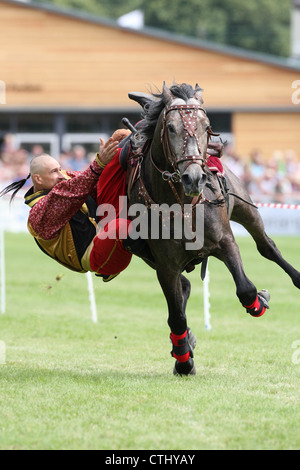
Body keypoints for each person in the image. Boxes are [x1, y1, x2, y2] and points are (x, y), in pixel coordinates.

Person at [0, 131, 148, 282]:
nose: (61, 174)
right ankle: (157, 255)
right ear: (38, 178)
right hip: (93, 255)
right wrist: (99, 164)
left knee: (122, 142)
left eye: (59, 168)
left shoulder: (63, 177)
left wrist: (116, 149)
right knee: (120, 226)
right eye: (54, 171)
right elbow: (69, 192)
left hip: (105, 222)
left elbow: (95, 181)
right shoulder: (38, 215)